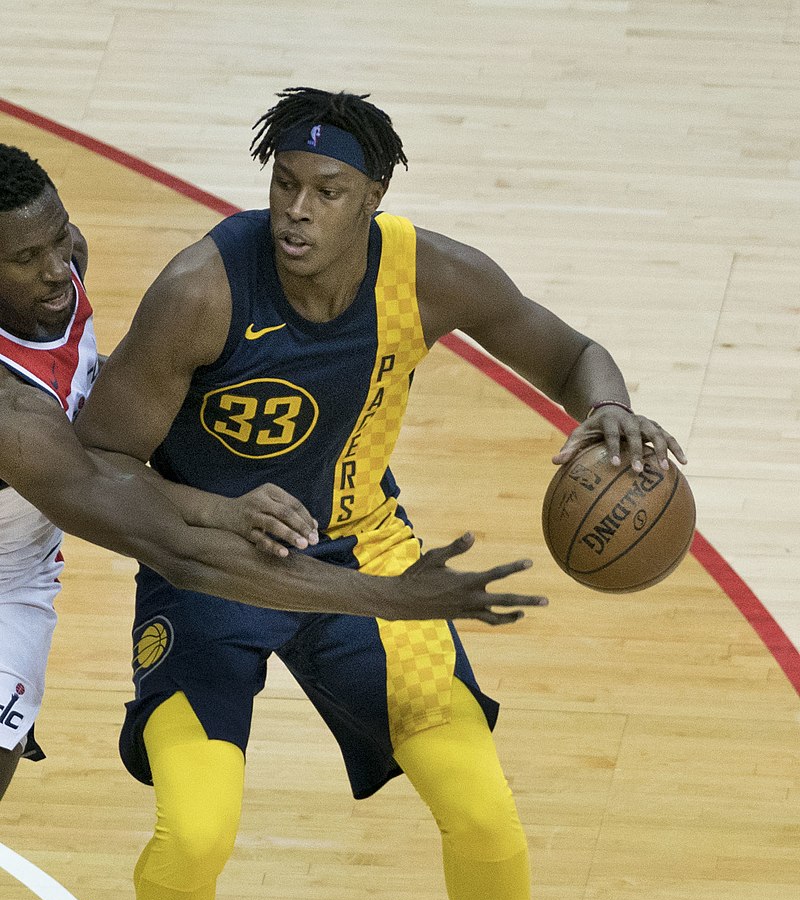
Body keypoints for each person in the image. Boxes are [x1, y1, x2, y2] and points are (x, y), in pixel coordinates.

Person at [75, 88, 687, 900]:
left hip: (365, 550)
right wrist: (214, 515)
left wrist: (605, 409)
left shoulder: (428, 273)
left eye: (327, 191)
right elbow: (96, 467)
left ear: (374, 198)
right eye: (283, 186)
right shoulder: (201, 290)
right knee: (196, 828)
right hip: (209, 570)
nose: (296, 212)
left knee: (483, 808)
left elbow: (570, 351)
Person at [0, 143, 544, 803]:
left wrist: (220, 502)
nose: (58, 267)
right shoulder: (12, 412)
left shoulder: (55, 275)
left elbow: (81, 406)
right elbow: (178, 551)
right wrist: (391, 598)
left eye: (60, 238)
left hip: (20, 573)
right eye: (26, 258)